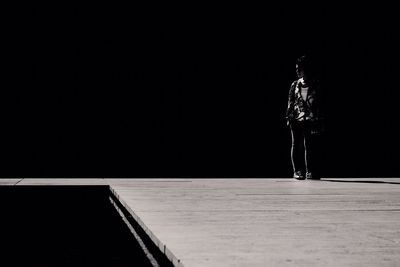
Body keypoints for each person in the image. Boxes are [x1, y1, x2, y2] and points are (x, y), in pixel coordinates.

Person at [286, 55, 324, 180]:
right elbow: (290, 102)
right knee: (296, 144)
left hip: (310, 119)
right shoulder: (294, 84)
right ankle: (297, 171)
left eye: (299, 68)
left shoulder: (315, 83)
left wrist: (318, 119)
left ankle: (310, 171)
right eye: (296, 68)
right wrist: (289, 117)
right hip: (296, 119)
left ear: (305, 69)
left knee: (310, 144)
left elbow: (320, 103)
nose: (297, 70)